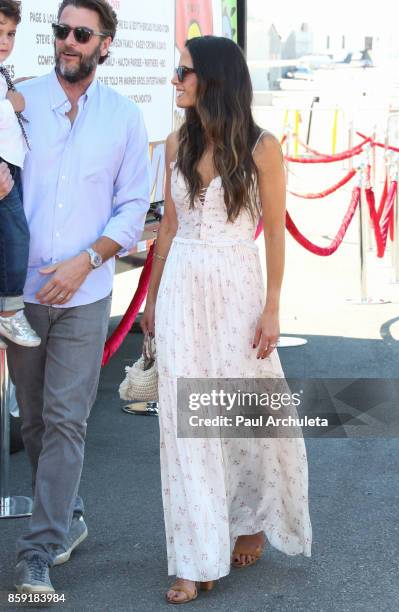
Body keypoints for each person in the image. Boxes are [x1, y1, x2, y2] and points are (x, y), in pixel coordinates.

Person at [141, 35, 312, 604]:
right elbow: (167, 229)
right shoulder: (174, 144)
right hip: (183, 292)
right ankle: (196, 555)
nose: (175, 80)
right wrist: (150, 298)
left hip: (237, 291)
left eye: (183, 71)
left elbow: (277, 235)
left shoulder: (262, 148)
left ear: (212, 79)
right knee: (185, 424)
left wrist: (272, 306)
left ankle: (251, 516)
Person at [3, 0, 150, 594]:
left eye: (81, 33)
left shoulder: (124, 117)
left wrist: (86, 260)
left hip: (85, 291)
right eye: (61, 30)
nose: (67, 40)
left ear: (105, 44)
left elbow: (133, 207)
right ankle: (67, 515)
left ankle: (37, 551)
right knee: (35, 421)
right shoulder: (20, 100)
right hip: (22, 294)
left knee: (67, 419)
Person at [0, 0, 40, 347]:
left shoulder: (2, 71)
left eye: (10, 33)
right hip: (2, 168)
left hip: (12, 165)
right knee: (16, 239)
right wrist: (11, 104)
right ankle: (10, 312)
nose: (5, 41)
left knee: (12, 238)